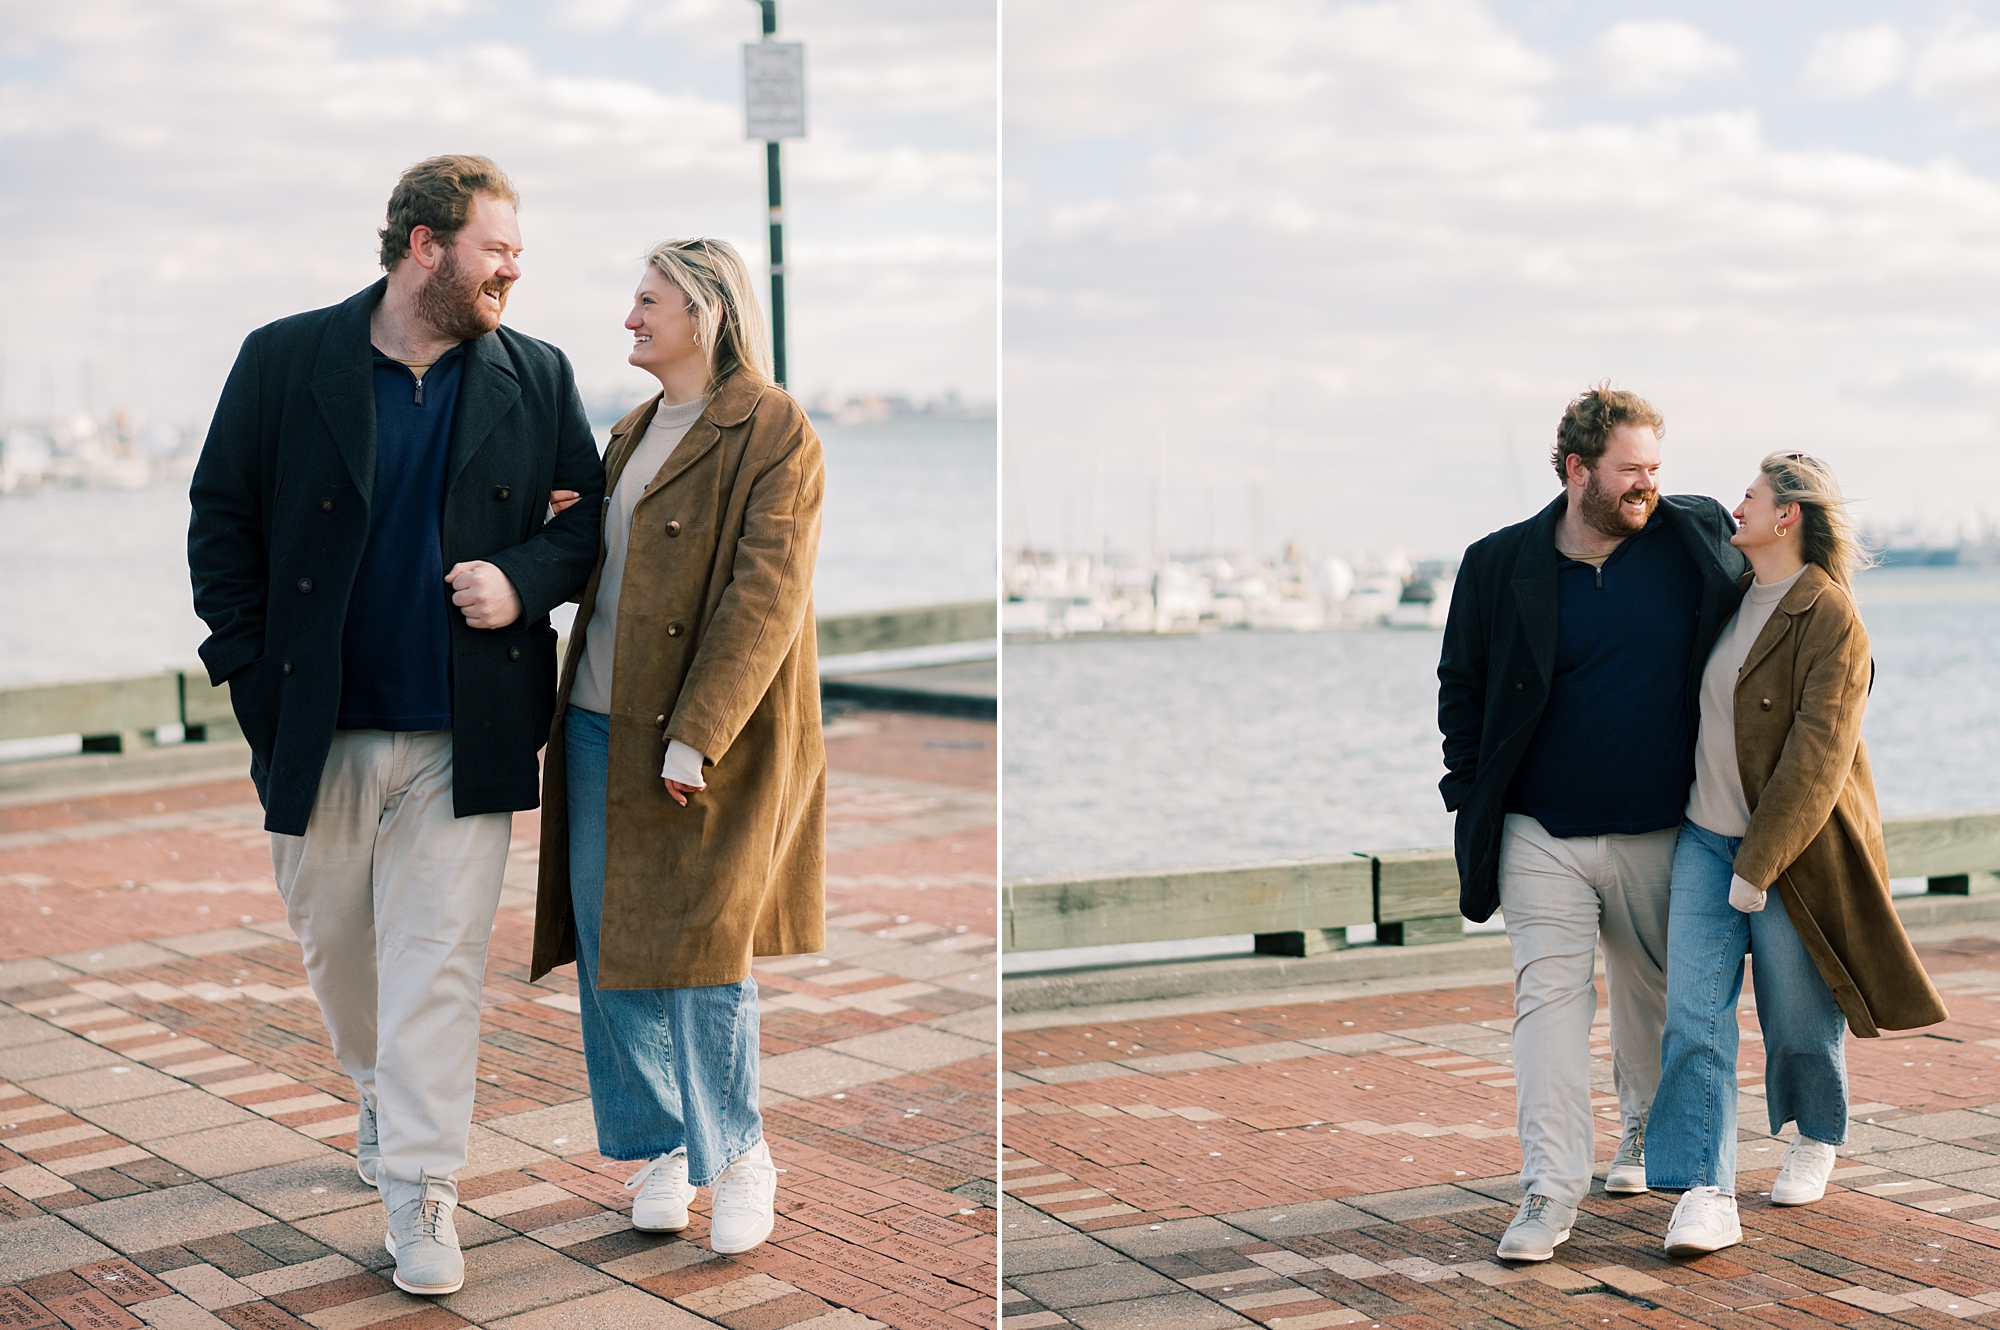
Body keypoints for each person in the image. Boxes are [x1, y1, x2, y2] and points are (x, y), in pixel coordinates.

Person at [187, 156, 605, 1297]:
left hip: (464, 727)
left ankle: (423, 1184)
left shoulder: (537, 373)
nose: (515, 267)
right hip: (311, 724)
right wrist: (245, 671)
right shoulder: (285, 358)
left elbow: (586, 526)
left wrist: (522, 582)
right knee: (339, 951)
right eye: (496, 247)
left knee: (437, 964)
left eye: (517, 250)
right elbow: (219, 516)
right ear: (425, 245)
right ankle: (378, 1090)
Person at [530, 237, 826, 1256]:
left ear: (702, 312)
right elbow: (615, 574)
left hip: (708, 739)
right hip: (598, 725)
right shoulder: (631, 430)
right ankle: (663, 1144)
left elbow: (766, 596)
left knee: (703, 955)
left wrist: (697, 736)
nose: (629, 319)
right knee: (613, 951)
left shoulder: (772, 428)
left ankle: (739, 1154)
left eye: (647, 301)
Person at [1438, 385, 1748, 1262]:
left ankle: (1649, 1136)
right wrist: (1470, 791)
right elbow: (1460, 687)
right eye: (1630, 470)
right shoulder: (1498, 564)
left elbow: (1780, 600)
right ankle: (1548, 1189)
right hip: (1541, 834)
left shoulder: (1692, 539)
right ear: (1578, 471)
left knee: (1655, 1008)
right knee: (1547, 1009)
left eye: (1656, 466)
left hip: (1665, 830)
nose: (1648, 484)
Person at [1650, 453, 1946, 1256]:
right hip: (1703, 842)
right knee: (1693, 1023)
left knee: (1798, 1022)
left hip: (1793, 856)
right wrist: (1636, 489)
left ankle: (1815, 1131)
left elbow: (1818, 758)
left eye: (1747, 498)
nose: (1732, 510)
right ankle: (1704, 1194)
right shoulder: (1730, 598)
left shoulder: (1831, 617)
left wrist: (1759, 864)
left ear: (1788, 517)